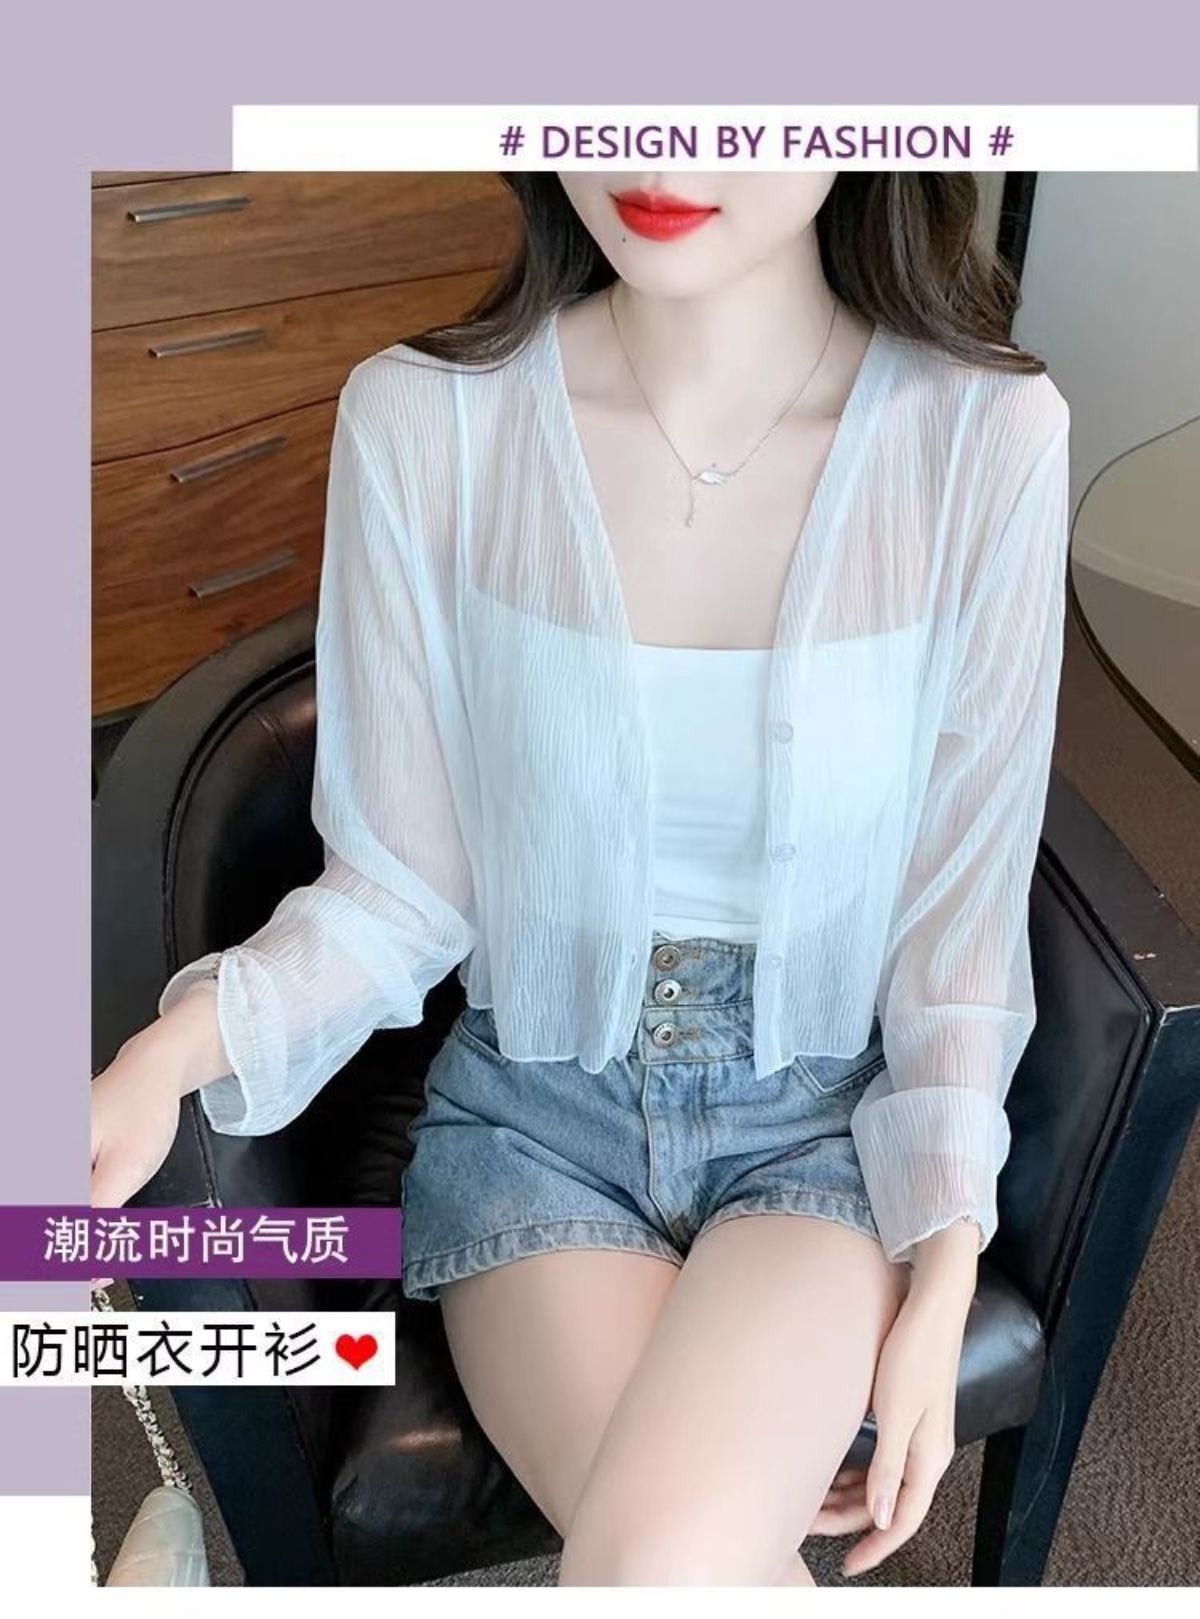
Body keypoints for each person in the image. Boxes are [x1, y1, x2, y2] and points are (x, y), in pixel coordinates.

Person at [90, 170, 1072, 1586]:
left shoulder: (984, 436)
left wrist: (946, 1257)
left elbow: (958, 916)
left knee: (661, 1570)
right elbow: (400, 887)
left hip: (822, 1123)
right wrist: (164, 1056)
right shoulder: (427, 420)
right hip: (539, 1115)